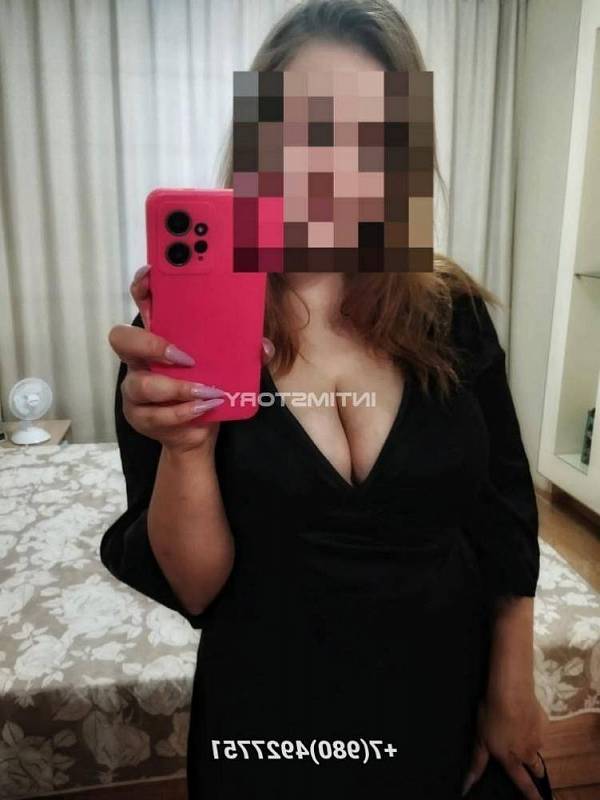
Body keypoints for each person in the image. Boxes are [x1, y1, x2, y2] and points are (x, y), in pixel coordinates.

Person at [100, 1, 550, 797]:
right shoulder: (176, 336)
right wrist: (187, 448)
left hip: (445, 699)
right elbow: (196, 588)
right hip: (272, 719)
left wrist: (511, 677)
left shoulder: (448, 312)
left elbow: (502, 500)